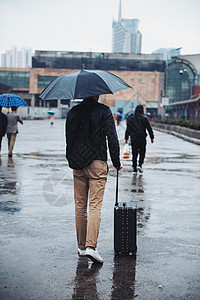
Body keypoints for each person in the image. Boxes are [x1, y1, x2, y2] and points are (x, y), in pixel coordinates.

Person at [66, 95, 122, 264]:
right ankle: (91, 247)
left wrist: (72, 160)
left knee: (80, 206)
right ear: (97, 93)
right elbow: (112, 138)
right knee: (95, 205)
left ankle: (82, 247)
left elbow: (68, 138)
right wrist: (116, 162)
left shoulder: (73, 112)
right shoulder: (104, 111)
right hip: (97, 162)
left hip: (78, 163)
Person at [125, 105, 154, 174]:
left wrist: (126, 138)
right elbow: (149, 128)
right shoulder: (144, 119)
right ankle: (140, 165)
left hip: (134, 138)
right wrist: (152, 137)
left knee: (134, 153)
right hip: (142, 138)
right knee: (142, 152)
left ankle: (134, 168)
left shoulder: (131, 119)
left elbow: (128, 129)